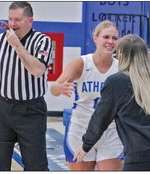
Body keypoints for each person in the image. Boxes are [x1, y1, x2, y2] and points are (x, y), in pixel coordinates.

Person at [74, 34, 150, 171]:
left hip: (142, 157)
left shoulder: (117, 81)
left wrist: (86, 145)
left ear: (121, 55)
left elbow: (101, 118)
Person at [51, 20, 123, 171]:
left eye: (114, 38)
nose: (110, 41)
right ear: (95, 38)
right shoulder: (81, 63)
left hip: (111, 130)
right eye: (106, 37)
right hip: (82, 127)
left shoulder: (121, 67)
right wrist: (61, 87)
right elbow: (53, 89)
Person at [0, 2, 52, 171]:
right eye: (10, 19)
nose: (12, 24)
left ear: (30, 21)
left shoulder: (43, 41)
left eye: (18, 20)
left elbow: (37, 70)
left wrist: (17, 46)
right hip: (2, 109)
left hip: (31, 111)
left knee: (36, 166)